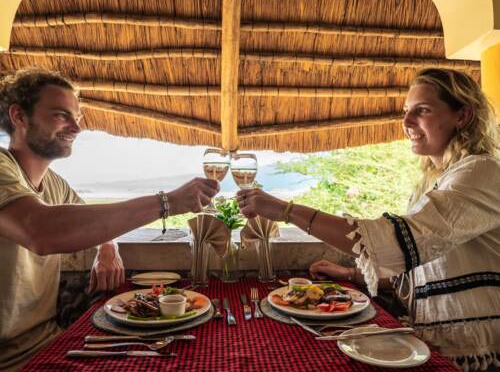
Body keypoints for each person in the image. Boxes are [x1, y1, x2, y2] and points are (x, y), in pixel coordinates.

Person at [236, 68, 500, 371]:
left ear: (462, 116)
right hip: (437, 340)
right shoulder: (434, 181)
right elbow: (419, 267)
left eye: (422, 111)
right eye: (405, 111)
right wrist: (350, 275)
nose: (406, 122)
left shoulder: (482, 172)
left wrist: (286, 211)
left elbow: (396, 242)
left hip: (478, 350)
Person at [0, 68, 219, 371]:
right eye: (61, 115)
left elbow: (89, 221)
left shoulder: (54, 184)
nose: (77, 127)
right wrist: (166, 202)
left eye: (78, 117)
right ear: (19, 116)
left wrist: (107, 248)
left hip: (47, 341)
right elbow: (40, 230)